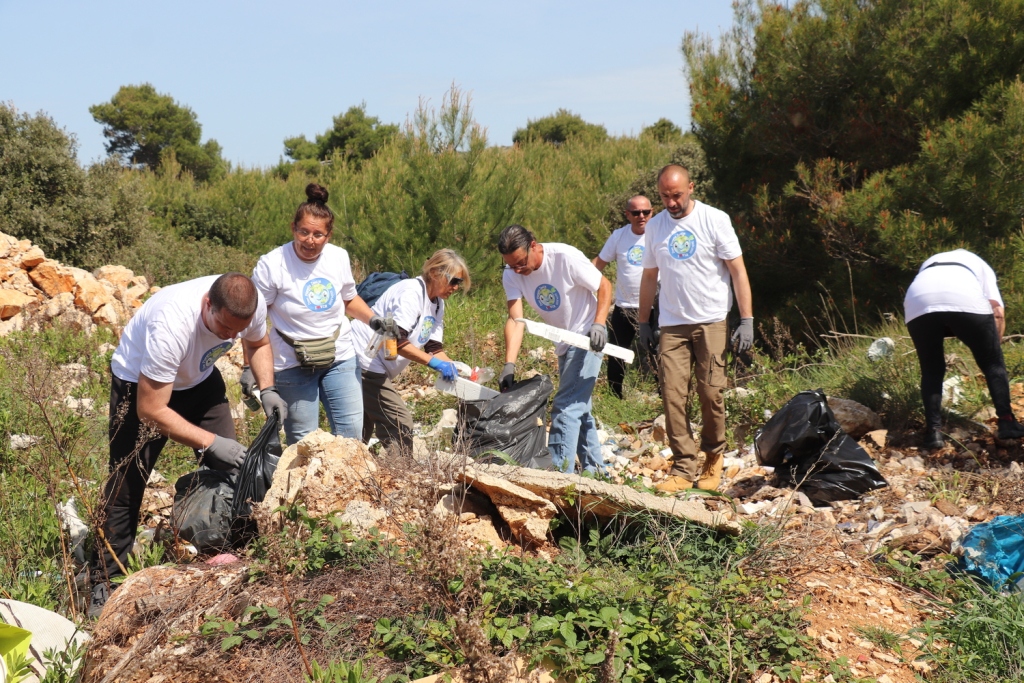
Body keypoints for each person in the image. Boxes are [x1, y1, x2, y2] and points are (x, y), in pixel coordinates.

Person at [88, 273, 282, 617]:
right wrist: (210, 442)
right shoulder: (172, 322)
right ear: (208, 304)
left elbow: (258, 344)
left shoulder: (246, 307)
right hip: (140, 388)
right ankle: (105, 580)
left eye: (237, 330)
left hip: (200, 382)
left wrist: (267, 388)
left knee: (233, 472)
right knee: (126, 485)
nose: (231, 337)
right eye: (224, 328)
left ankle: (228, 554)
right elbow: (151, 410)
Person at [637, 165, 753, 493]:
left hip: (711, 320)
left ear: (691, 187)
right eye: (664, 196)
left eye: (676, 195)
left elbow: (738, 271)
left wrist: (747, 320)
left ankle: (713, 458)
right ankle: (684, 467)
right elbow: (649, 275)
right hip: (672, 324)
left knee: (711, 392)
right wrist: (644, 322)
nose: (671, 202)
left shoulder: (714, 219)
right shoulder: (655, 226)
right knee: (673, 395)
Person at [247, 183, 387, 445]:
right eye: (303, 232)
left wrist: (373, 319)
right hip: (292, 361)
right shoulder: (272, 264)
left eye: (318, 234)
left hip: (339, 355)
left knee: (351, 434)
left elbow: (348, 298)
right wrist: (249, 366)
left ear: (329, 235)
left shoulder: (338, 257)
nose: (309, 241)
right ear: (293, 228)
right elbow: (254, 319)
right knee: (304, 440)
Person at [497, 224, 613, 474]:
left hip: (587, 336)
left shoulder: (564, 257)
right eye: (511, 265)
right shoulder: (512, 272)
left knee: (566, 405)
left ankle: (559, 475)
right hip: (564, 341)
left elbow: (604, 286)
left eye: (521, 263)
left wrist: (599, 324)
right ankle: (597, 473)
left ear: (534, 246)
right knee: (580, 407)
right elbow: (516, 320)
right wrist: (509, 365)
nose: (517, 270)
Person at [350, 249, 469, 454]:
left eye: (459, 282)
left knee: (363, 422)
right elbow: (396, 341)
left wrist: (459, 369)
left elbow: (434, 348)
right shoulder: (411, 293)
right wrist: (434, 364)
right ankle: (400, 470)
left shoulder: (437, 304)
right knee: (399, 421)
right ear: (435, 273)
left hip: (376, 364)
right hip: (362, 358)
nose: (456, 287)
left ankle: (351, 464)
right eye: (454, 281)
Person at [904, 249, 1024, 448]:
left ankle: (934, 433)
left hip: (918, 301)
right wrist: (993, 349)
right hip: (963, 298)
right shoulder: (981, 266)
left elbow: (940, 309)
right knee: (993, 363)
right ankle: (1007, 423)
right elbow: (997, 311)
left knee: (931, 370)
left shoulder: (930, 262)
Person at [593, 194, 659, 399]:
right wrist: (576, 280)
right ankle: (614, 398)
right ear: (627, 214)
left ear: (652, 212)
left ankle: (665, 399)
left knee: (658, 354)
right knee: (616, 354)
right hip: (625, 307)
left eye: (646, 212)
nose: (642, 216)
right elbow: (598, 264)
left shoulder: (660, 233)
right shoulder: (619, 236)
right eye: (636, 213)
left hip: (656, 307)